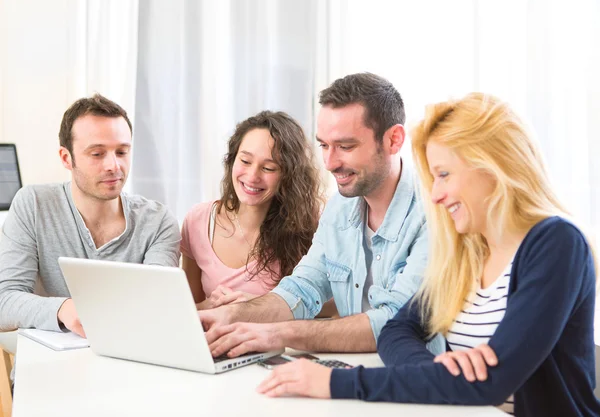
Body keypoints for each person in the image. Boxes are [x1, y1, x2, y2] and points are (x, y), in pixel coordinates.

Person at [257, 93, 600, 417]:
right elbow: (396, 330)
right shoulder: (469, 252)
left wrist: (332, 382)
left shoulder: (557, 244)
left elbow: (490, 384)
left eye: (444, 175)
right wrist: (438, 372)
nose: (435, 195)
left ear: (493, 167)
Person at [199, 72, 443, 358]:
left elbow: (394, 322)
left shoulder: (435, 214)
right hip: (350, 376)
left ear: (393, 140)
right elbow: (303, 287)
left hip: (416, 385)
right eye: (324, 146)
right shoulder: (341, 206)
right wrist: (234, 315)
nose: (330, 163)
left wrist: (277, 333)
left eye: (346, 146)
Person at [0, 94, 181, 337]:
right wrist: (63, 309)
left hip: (131, 364)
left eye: (121, 152)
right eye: (97, 154)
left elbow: (155, 306)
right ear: (66, 158)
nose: (113, 166)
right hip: (52, 367)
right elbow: (5, 302)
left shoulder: (158, 222)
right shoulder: (33, 205)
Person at [181, 111, 323, 309]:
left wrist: (263, 305)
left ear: (288, 175)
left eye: (269, 168)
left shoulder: (312, 224)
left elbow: (333, 305)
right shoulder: (198, 221)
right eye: (245, 161)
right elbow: (187, 310)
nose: (252, 176)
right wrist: (213, 305)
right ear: (232, 160)